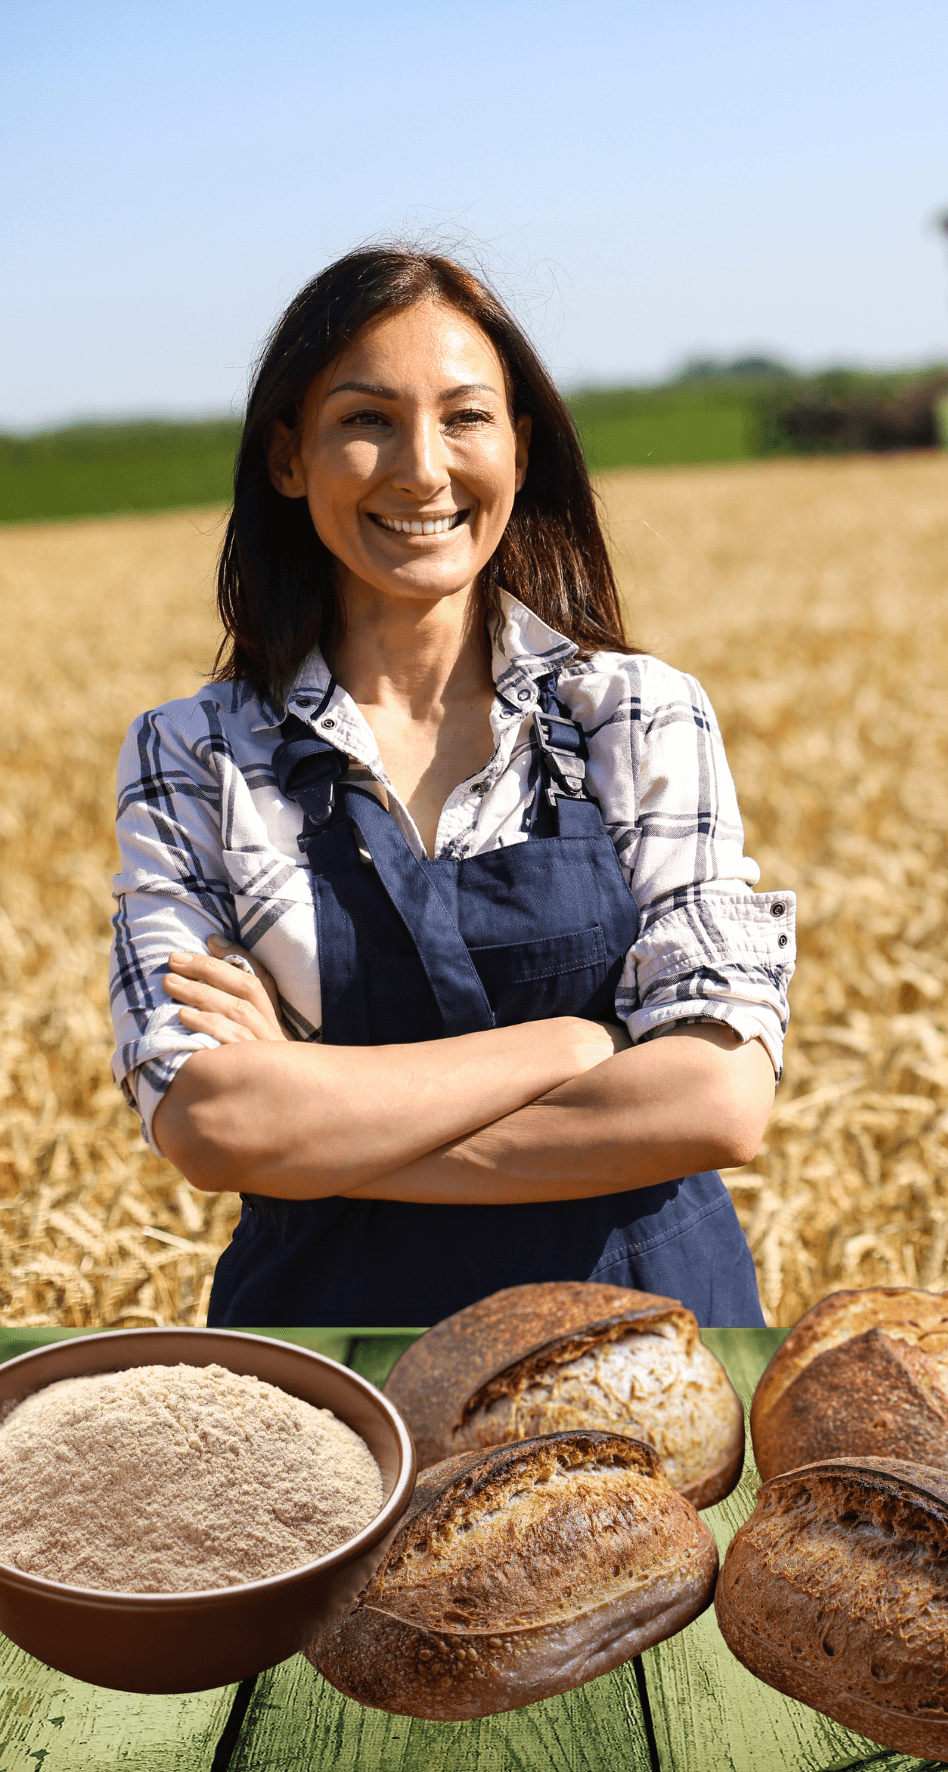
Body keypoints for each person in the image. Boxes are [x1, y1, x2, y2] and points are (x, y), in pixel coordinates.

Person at [109, 246, 795, 1330]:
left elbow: (714, 1098)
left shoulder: (634, 714)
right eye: (366, 419)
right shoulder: (194, 752)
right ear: (289, 457)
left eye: (465, 417)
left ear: (518, 449)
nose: (421, 468)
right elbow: (215, 1123)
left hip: (646, 1353)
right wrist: (582, 1044)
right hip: (330, 1375)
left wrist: (320, 1116)